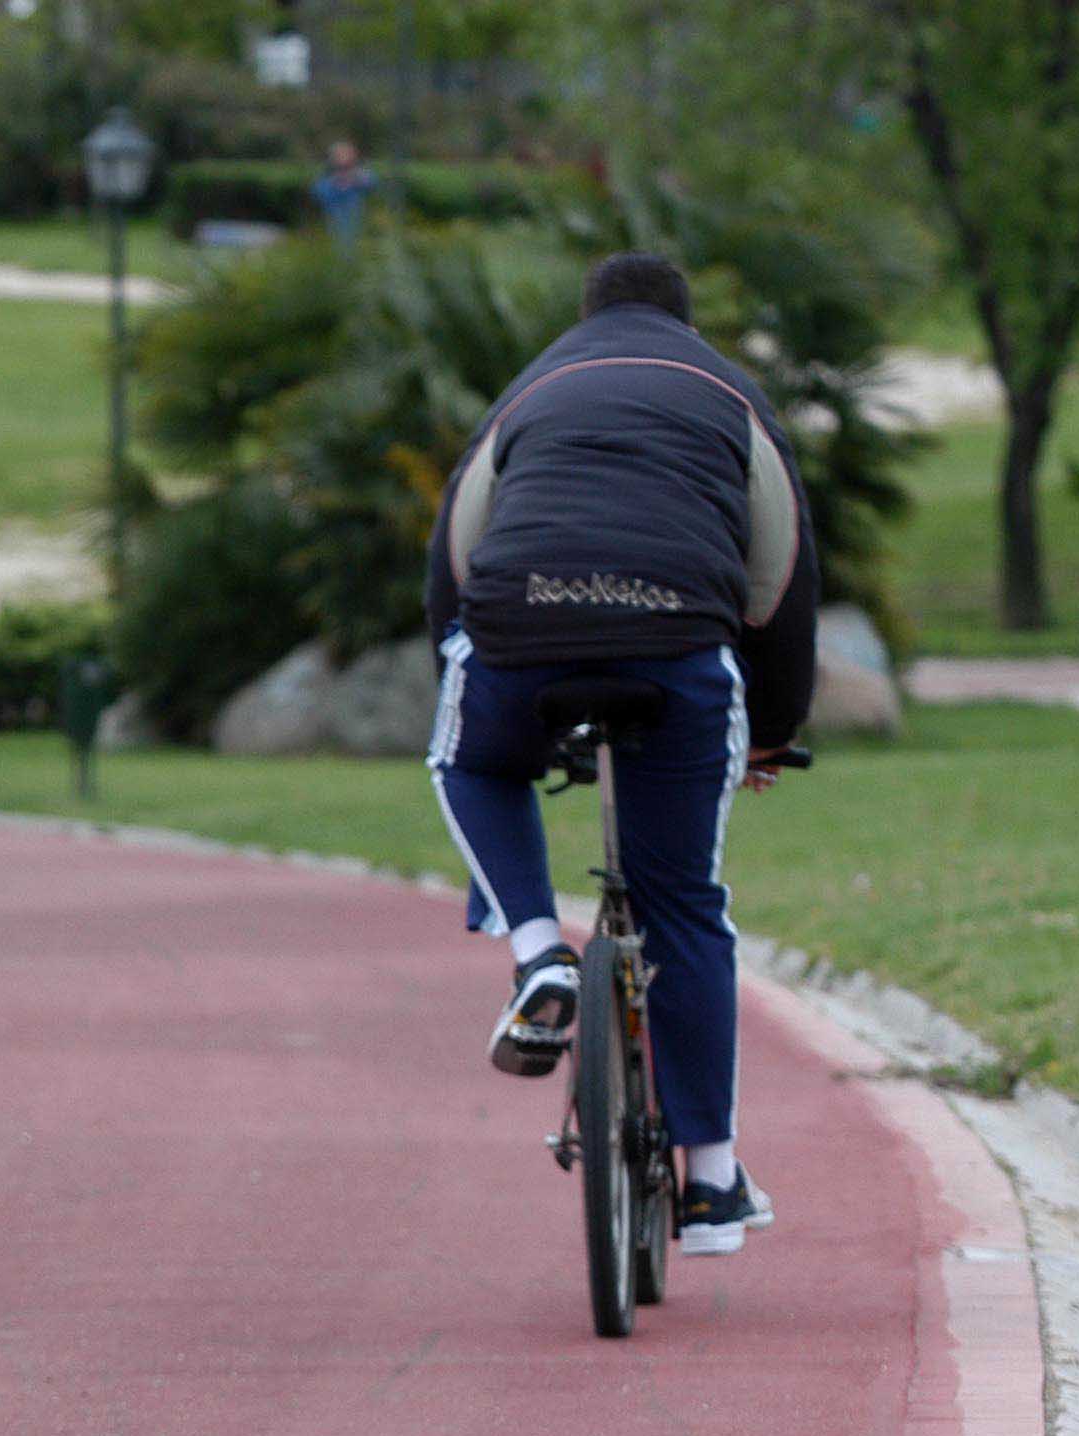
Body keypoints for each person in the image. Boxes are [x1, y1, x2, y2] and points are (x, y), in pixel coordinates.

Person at [422, 252, 817, 1255]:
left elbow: (454, 556)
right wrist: (770, 728)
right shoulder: (728, 393)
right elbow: (779, 579)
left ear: (584, 314)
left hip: (518, 631)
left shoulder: (532, 388)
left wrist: (475, 687)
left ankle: (536, 954)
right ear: (683, 319)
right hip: (677, 644)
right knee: (681, 900)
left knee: (466, 763)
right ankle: (713, 1184)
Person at [312, 140, 378, 248]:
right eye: (339, 155)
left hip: (362, 225)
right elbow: (318, 193)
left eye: (346, 154)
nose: (343, 158)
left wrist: (354, 180)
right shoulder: (325, 178)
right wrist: (336, 184)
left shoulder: (364, 175)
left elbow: (372, 186)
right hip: (333, 224)